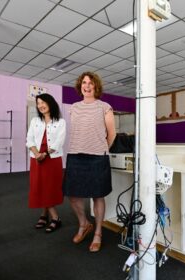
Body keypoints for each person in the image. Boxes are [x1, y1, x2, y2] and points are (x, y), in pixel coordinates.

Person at [63, 71, 116, 252]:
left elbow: (112, 134)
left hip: (97, 157)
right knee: (72, 194)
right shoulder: (74, 107)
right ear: (80, 86)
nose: (87, 86)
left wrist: (101, 148)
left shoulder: (104, 107)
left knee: (97, 195)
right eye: (84, 82)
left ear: (96, 86)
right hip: (75, 155)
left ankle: (98, 232)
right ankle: (84, 224)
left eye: (90, 83)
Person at [26, 93, 66, 233]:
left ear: (50, 103)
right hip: (36, 158)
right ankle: (47, 215)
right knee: (39, 186)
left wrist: (45, 154)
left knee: (49, 187)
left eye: (43, 102)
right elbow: (29, 139)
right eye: (38, 103)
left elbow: (59, 142)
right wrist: (37, 154)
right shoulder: (35, 120)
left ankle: (53, 217)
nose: (41, 105)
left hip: (52, 158)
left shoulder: (60, 122)